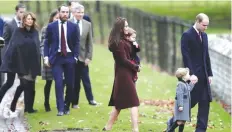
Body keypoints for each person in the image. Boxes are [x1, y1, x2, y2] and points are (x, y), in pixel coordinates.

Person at [167, 13, 213, 132]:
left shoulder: (205, 36)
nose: (205, 28)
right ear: (197, 21)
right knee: (189, 104)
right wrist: (191, 74)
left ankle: (200, 130)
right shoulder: (187, 35)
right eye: (204, 25)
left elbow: (206, 56)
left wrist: (210, 74)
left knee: (205, 103)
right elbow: (186, 56)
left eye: (207, 25)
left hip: (204, 76)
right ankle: (172, 121)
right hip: (193, 77)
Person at [103, 17, 140, 132]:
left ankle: (107, 127)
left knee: (118, 104)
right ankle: (135, 129)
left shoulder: (125, 40)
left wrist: (135, 45)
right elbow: (123, 60)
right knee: (134, 102)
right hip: (123, 75)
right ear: (120, 28)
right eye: (125, 26)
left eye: (127, 25)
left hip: (128, 73)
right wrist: (136, 67)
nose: (127, 28)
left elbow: (132, 53)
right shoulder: (118, 44)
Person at [0, 12, 41, 113]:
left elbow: (36, 46)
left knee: (29, 85)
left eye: (31, 19)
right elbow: (14, 45)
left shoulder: (35, 32)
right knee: (25, 84)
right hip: (21, 63)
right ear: (24, 20)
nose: (30, 20)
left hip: (32, 63)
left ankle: (26, 107)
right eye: (28, 19)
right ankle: (23, 106)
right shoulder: (18, 31)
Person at [44, 4, 80, 116]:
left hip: (69, 57)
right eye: (63, 12)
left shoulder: (74, 27)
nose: (65, 14)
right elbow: (46, 42)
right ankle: (60, 108)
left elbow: (77, 43)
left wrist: (75, 56)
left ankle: (66, 105)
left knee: (70, 84)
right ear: (59, 13)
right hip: (56, 58)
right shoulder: (51, 27)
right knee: (58, 83)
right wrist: (46, 57)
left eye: (66, 12)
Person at [69, 4, 97, 109]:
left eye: (82, 12)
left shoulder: (87, 24)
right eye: (78, 12)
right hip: (71, 57)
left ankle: (91, 99)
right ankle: (74, 102)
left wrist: (88, 57)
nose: (80, 14)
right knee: (75, 82)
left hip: (83, 57)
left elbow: (90, 42)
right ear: (73, 13)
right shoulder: (68, 23)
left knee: (86, 79)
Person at [0, 3, 26, 104]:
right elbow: (5, 42)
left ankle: (17, 103)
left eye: (24, 12)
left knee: (25, 82)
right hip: (12, 59)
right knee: (9, 83)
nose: (23, 14)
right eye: (21, 12)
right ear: (16, 12)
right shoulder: (9, 24)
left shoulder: (26, 24)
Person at [166, 68, 197, 132]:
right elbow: (179, 95)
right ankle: (169, 130)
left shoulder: (184, 83)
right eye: (188, 74)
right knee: (179, 121)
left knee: (183, 121)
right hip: (182, 105)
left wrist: (192, 83)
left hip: (185, 105)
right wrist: (180, 105)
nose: (189, 75)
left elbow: (188, 89)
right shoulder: (180, 84)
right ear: (184, 77)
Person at [40, 10, 59, 112]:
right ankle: (46, 103)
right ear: (52, 18)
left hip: (60, 59)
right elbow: (42, 45)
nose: (57, 20)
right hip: (49, 59)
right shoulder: (46, 29)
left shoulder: (62, 29)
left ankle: (59, 103)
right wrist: (45, 57)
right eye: (56, 18)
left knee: (60, 82)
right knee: (49, 82)